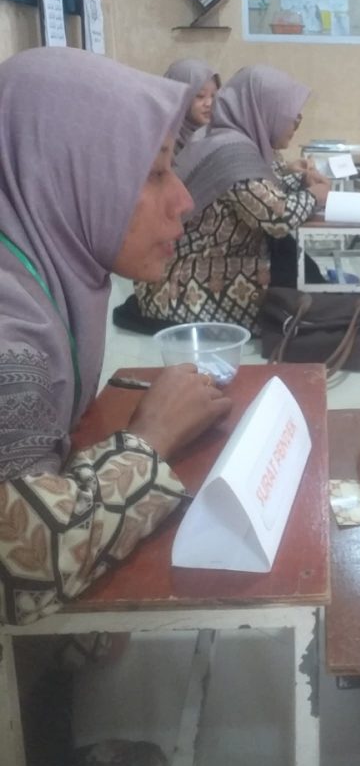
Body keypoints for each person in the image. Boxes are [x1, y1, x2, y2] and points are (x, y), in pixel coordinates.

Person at [0, 48, 232, 626]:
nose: (184, 200)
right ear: (61, 174)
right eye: (154, 173)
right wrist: (151, 438)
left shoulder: (38, 281)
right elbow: (26, 567)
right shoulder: (10, 342)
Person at [133, 65, 330, 330]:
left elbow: (262, 190)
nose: (295, 123)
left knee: (293, 263)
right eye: (291, 115)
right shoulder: (231, 153)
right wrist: (316, 195)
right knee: (292, 278)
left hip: (188, 267)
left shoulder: (226, 138)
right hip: (177, 284)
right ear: (265, 110)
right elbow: (277, 218)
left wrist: (301, 182)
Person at [163, 58, 220, 154]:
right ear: (179, 96)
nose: (209, 103)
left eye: (213, 96)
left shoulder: (218, 136)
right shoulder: (162, 141)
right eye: (200, 96)